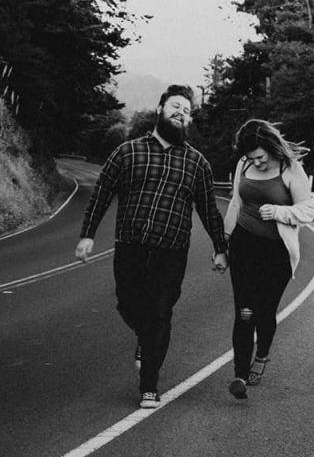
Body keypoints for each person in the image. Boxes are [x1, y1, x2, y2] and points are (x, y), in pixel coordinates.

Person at [75, 84, 228, 409]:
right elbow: (102, 193)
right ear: (159, 109)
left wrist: (220, 247)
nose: (181, 113)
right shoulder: (127, 152)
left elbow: (208, 209)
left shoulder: (197, 163)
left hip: (171, 252)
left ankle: (149, 386)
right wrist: (88, 234)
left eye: (186, 111)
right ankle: (146, 339)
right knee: (127, 304)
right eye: (175, 107)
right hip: (130, 247)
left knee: (159, 314)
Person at [222, 119, 314, 400]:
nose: (257, 163)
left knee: (264, 311)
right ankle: (239, 375)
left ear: (271, 147)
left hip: (276, 253)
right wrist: (222, 243)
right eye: (251, 159)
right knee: (244, 311)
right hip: (243, 245)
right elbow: (235, 203)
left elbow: (308, 211)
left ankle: (261, 355)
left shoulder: (290, 168)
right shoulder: (244, 165)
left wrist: (278, 212)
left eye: (260, 157)